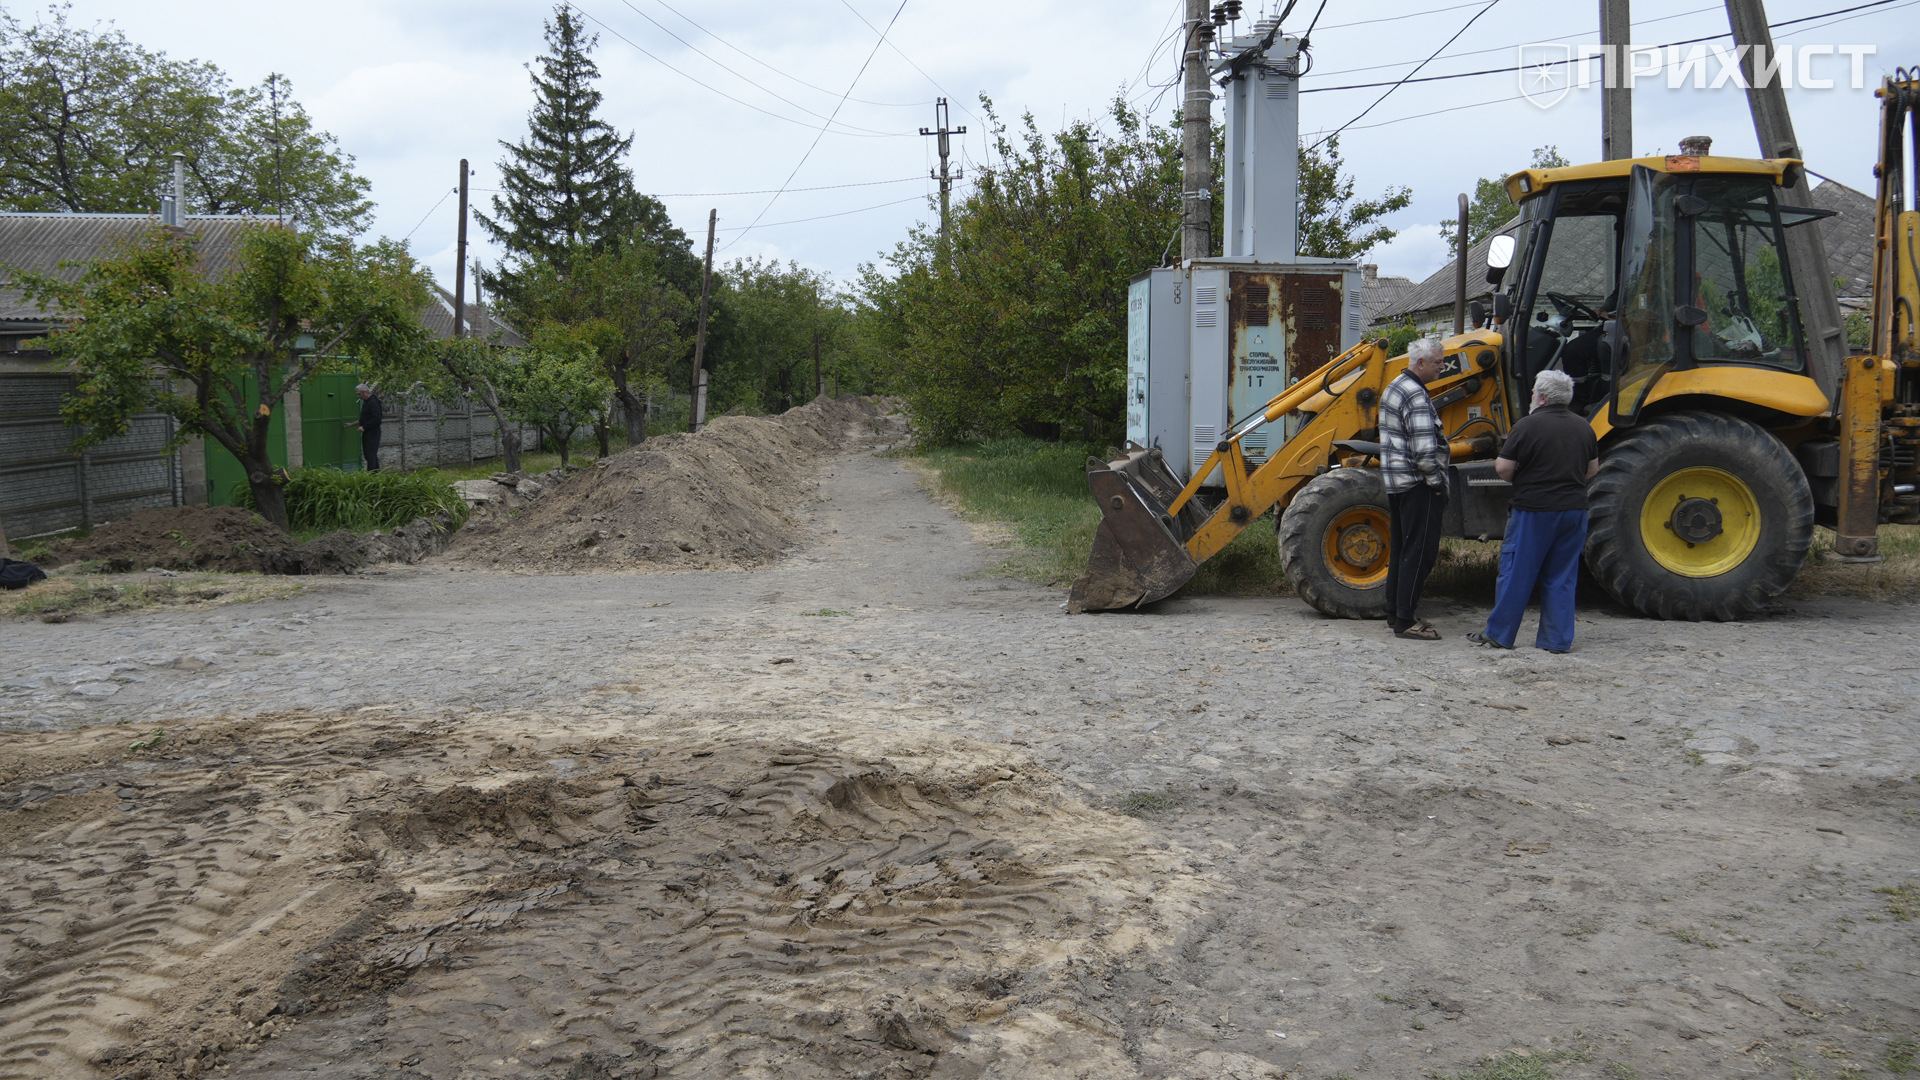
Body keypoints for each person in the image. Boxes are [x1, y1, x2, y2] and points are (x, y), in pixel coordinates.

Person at [1468, 369, 1600, 653]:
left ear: (1540, 397)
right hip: (1574, 510)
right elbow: (1592, 470)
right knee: (1562, 575)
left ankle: (1500, 634)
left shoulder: (1526, 426)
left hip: (1535, 510)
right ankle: (1556, 641)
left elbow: (1504, 468)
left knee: (1517, 572)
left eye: (1532, 393)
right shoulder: (1584, 427)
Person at [1379, 336, 1450, 640]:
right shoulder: (1416, 396)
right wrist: (1436, 482)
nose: (1443, 367)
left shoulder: (1395, 387)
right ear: (1420, 363)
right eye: (1438, 363)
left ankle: (1395, 610)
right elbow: (1424, 451)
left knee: (1402, 549)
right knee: (1420, 552)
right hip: (1417, 483)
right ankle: (1406, 622)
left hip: (1396, 482)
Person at [345, 383, 383, 471]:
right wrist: (352, 424)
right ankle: (376, 474)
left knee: (370, 455)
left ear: (365, 392)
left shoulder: (373, 403)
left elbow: (376, 419)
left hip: (373, 433)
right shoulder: (367, 403)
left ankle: (371, 475)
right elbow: (364, 419)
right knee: (370, 454)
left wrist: (364, 427)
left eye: (359, 394)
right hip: (368, 432)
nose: (358, 396)